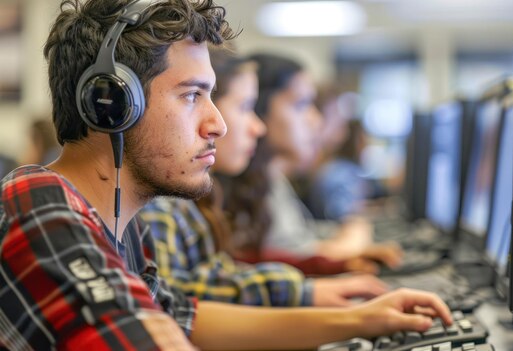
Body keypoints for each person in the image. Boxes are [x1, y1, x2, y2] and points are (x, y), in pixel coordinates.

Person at [0, 1, 452, 349]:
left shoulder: (126, 228)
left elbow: (182, 316)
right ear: (112, 104)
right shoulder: (36, 202)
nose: (220, 124)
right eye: (192, 95)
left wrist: (362, 320)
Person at [139, 45, 387, 307]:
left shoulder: (200, 198)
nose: (258, 126)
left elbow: (227, 272)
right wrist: (311, 293)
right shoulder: (167, 201)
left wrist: (330, 269)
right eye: (246, 107)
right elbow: (179, 304)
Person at [221, 53, 403, 269]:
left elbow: (297, 246)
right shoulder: (239, 188)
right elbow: (291, 258)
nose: (316, 121)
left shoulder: (271, 178)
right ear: (261, 108)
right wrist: (353, 238)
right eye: (301, 105)